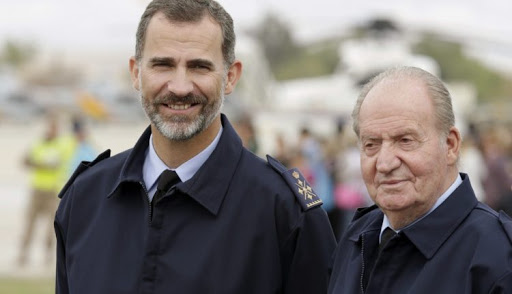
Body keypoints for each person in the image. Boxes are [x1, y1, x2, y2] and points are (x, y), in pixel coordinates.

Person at [54, 1, 335, 293]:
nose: (179, 87)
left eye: (199, 67)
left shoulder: (286, 213)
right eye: (163, 65)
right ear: (136, 73)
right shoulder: (84, 200)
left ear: (230, 77)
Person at [327, 66, 512, 293]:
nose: (384, 163)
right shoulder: (356, 238)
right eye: (371, 145)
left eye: (405, 140)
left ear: (451, 145)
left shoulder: (499, 258)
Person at [18, 114, 62, 266]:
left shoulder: (61, 145)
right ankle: (23, 254)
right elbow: (24, 160)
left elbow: (61, 164)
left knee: (51, 226)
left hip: (52, 191)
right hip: (37, 190)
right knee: (30, 223)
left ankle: (48, 256)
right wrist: (39, 164)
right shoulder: (38, 144)